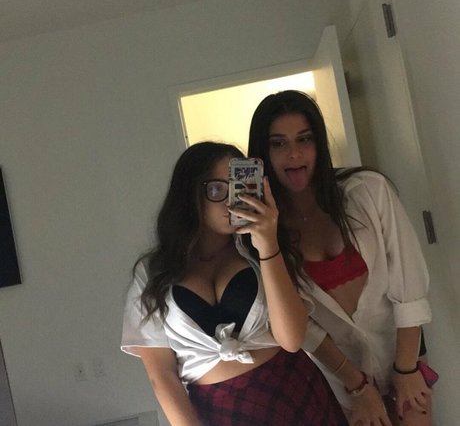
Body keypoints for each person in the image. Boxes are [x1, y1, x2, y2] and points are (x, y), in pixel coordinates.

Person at [121, 142, 348, 426]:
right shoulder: (152, 273)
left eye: (239, 187)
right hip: (220, 412)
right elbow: (162, 376)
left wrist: (268, 244)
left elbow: (291, 339)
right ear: (190, 194)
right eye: (217, 189)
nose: (230, 201)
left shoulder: (261, 251)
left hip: (295, 393)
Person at [247, 90, 435, 426]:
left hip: (403, 354)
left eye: (304, 139)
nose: (294, 153)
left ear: (319, 143)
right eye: (278, 143)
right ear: (262, 154)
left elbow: (409, 287)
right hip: (340, 377)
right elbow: (304, 328)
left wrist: (406, 370)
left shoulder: (368, 191)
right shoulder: (263, 235)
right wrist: (358, 387)